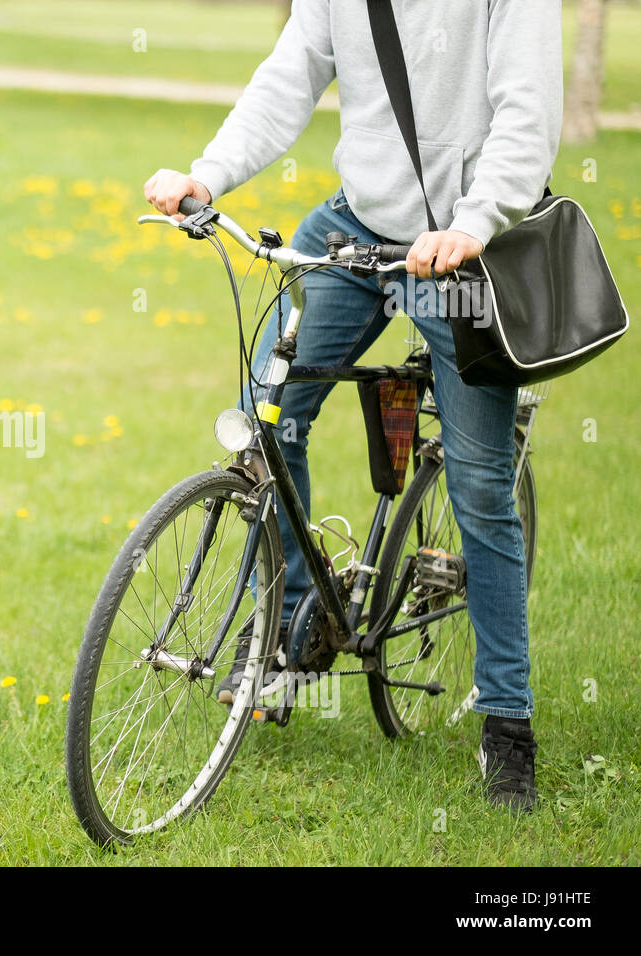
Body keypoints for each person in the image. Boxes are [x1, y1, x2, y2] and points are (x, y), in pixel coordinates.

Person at [143, 0, 562, 813]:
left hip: (463, 253)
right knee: (268, 416)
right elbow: (290, 75)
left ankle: (507, 728)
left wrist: (476, 221)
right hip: (357, 230)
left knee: (480, 488)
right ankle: (297, 622)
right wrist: (210, 172)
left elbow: (528, 113)